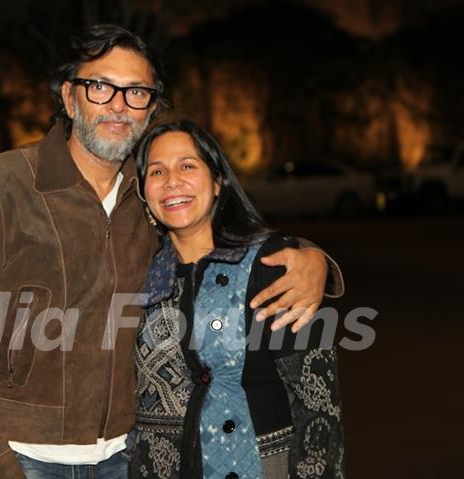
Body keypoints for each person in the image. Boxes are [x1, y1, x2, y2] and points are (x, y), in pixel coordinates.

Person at [0, 24, 343, 479]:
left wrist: (311, 257)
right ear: (69, 98)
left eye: (136, 92)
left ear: (150, 108)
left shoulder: (150, 197)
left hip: (128, 459)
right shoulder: (2, 184)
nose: (119, 105)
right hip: (24, 457)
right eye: (101, 87)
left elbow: (219, 237)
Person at [129, 119, 345, 479]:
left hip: (258, 466)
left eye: (187, 165)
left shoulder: (274, 265)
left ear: (217, 182)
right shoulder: (139, 274)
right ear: (144, 191)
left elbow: (318, 404)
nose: (171, 181)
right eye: (156, 171)